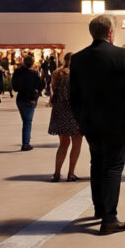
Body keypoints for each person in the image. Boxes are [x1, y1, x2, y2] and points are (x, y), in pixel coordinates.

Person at [69, 15, 125, 234]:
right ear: (110, 32)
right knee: (113, 166)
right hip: (115, 120)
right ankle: (109, 218)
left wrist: (80, 118)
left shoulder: (78, 58)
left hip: (90, 122)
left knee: (96, 163)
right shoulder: (120, 54)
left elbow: (73, 95)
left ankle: (99, 208)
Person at [48, 52, 83, 182]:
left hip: (59, 112)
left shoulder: (57, 74)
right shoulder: (76, 75)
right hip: (73, 113)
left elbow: (52, 91)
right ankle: (71, 173)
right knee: (76, 143)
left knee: (63, 144)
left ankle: (57, 173)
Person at [12, 56, 44, 151]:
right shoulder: (34, 74)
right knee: (27, 121)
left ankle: (27, 137)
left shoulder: (17, 72)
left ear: (23, 62)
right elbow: (40, 85)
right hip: (30, 99)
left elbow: (15, 87)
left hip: (20, 99)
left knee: (25, 120)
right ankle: (25, 143)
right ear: (32, 64)